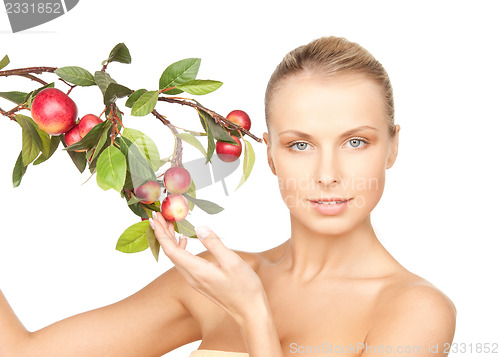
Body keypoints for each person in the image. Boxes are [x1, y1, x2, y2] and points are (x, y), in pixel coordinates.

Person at [0, 36, 456, 357]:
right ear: (271, 153)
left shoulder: (414, 310)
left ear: (393, 146)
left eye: (356, 142)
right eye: (301, 144)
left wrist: (252, 312)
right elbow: (22, 353)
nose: (328, 174)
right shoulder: (216, 279)